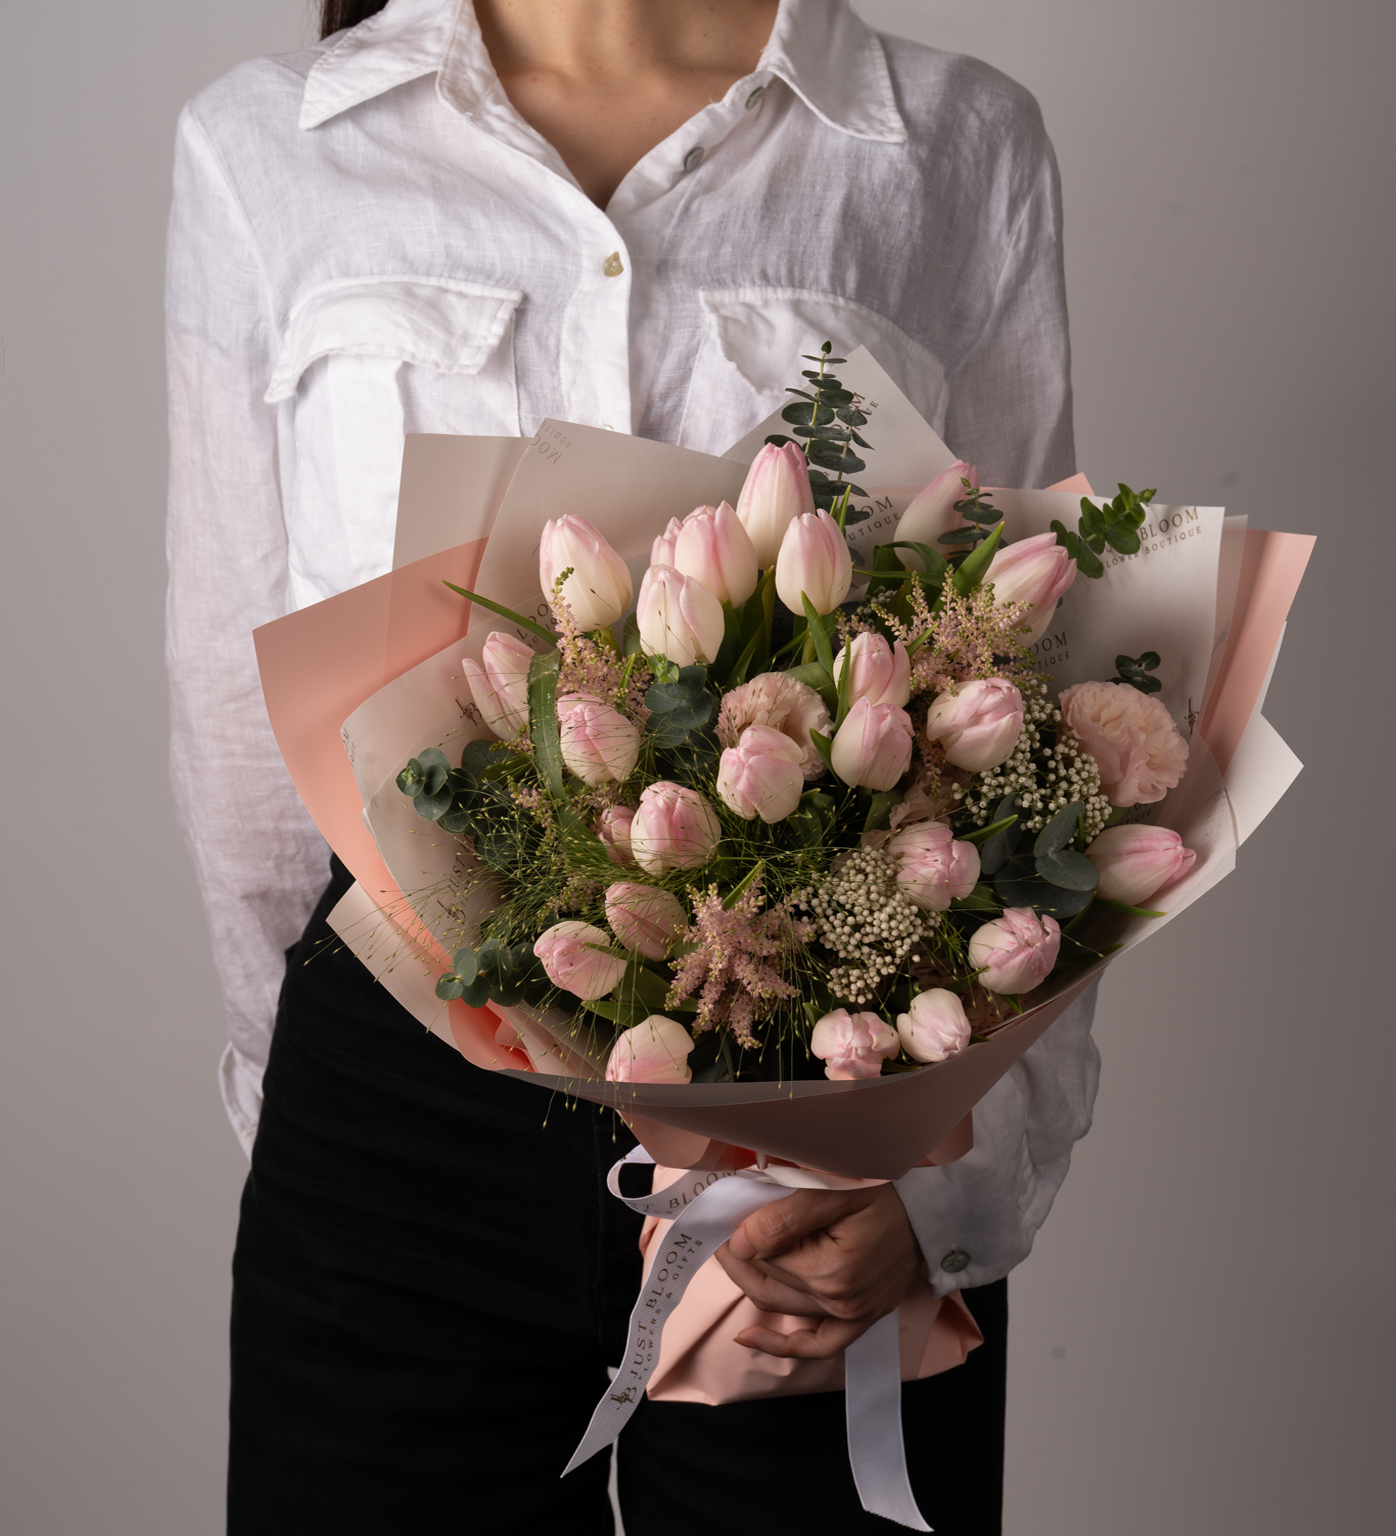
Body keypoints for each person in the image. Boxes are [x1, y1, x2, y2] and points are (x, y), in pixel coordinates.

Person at [165, 1, 1100, 1530]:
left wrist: (942, 1192)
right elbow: (230, 688)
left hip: (819, 1115)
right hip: (397, 1093)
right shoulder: (271, 145)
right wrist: (307, 1122)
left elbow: (1031, 677)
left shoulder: (945, 142)